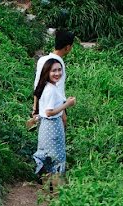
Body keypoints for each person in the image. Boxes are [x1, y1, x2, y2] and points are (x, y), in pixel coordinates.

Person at [32, 58, 76, 192]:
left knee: (48, 159)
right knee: (57, 158)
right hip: (52, 126)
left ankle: (47, 192)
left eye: (59, 70)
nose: (57, 73)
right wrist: (67, 104)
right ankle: (57, 193)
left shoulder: (47, 86)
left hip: (46, 127)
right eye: (54, 71)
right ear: (47, 72)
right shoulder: (50, 90)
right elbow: (49, 112)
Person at [30, 29, 75, 130]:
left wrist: (35, 108)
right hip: (54, 109)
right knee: (56, 137)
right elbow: (58, 91)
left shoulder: (42, 60)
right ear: (67, 47)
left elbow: (37, 85)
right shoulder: (58, 65)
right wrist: (64, 116)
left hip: (42, 105)